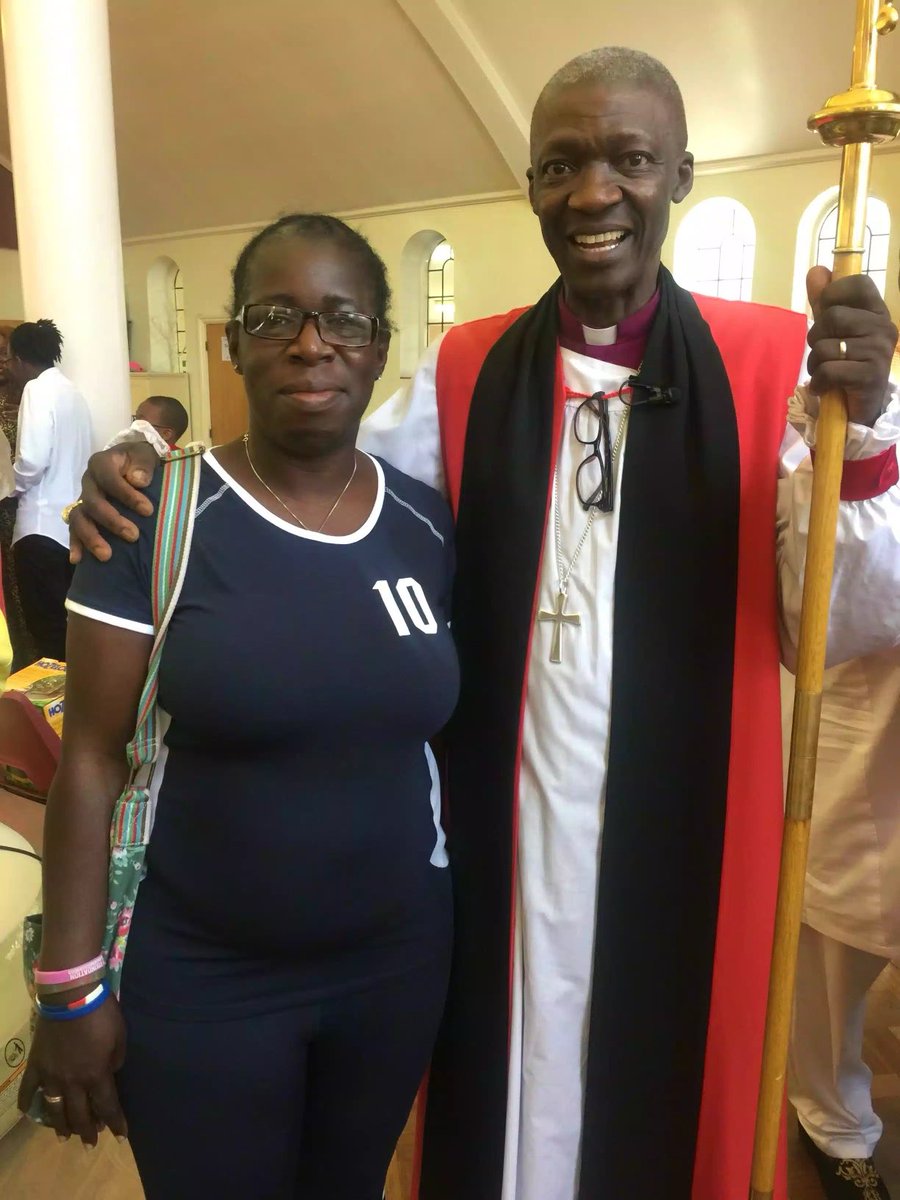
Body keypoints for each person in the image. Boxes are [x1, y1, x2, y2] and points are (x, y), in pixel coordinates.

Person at [69, 48, 900, 1200]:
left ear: (682, 176)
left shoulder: (771, 366)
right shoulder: (469, 368)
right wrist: (148, 464)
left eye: (630, 162)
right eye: (562, 165)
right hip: (500, 836)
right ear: (530, 188)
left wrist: (864, 431)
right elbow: (332, 482)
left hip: (691, 830)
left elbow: (847, 619)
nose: (595, 192)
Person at [18, 215, 458, 1200]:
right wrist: (69, 987)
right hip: (206, 975)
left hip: (394, 968)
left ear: (382, 346)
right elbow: (90, 756)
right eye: (277, 318)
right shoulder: (154, 519)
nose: (313, 344)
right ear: (231, 342)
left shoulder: (429, 524)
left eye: (344, 318)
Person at [785, 332, 900, 1200]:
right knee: (830, 971)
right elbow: (834, 603)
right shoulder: (861, 417)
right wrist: (860, 433)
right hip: (868, 750)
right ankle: (835, 1121)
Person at [8, 319, 92, 662]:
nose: (9, 367)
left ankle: (52, 708)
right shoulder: (72, 391)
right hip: (70, 526)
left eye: (9, 358)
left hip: (39, 527)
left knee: (46, 629)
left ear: (22, 358)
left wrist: (8, 485)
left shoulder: (36, 389)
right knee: (66, 622)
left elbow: (32, 459)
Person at [0, 324, 35, 669]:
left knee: (18, 586)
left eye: (4, 355)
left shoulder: (35, 398)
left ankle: (26, 654)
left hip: (20, 506)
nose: (1, 363)